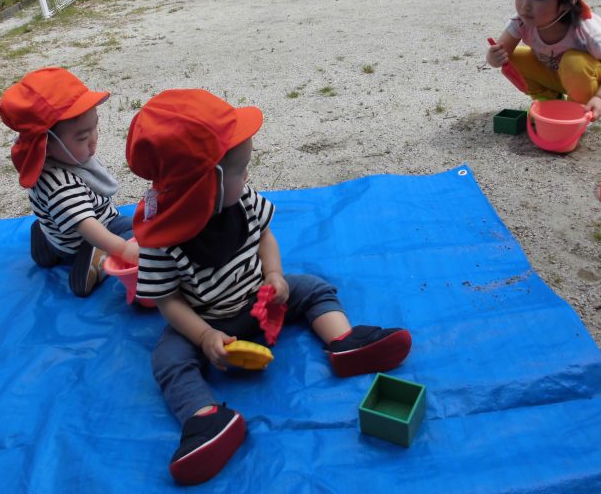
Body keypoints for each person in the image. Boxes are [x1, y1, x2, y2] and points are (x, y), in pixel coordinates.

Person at [125, 88, 412, 486]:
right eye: (241, 168)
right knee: (168, 358)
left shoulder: (241, 198)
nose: (248, 176)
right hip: (206, 323)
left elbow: (265, 237)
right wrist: (205, 334)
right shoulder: (159, 237)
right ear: (204, 183)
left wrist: (275, 276)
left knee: (310, 287)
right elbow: (167, 300)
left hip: (259, 297)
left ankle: (344, 343)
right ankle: (206, 420)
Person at [0, 67, 139, 297]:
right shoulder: (61, 186)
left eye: (95, 127)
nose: (93, 139)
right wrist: (123, 249)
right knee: (139, 232)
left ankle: (47, 243)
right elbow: (88, 225)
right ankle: (92, 260)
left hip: (60, 237)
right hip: (87, 237)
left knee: (58, 230)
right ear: (47, 144)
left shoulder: (61, 156)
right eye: (83, 136)